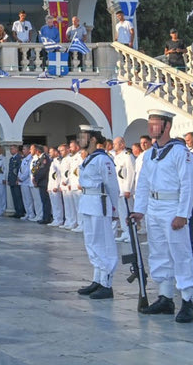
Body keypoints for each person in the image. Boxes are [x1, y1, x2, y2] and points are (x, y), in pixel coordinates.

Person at [131, 110, 193, 323]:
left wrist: (183, 214)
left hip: (173, 207)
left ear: (167, 126)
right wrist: (140, 209)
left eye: (156, 123)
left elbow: (189, 184)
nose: (152, 127)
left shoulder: (180, 152)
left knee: (180, 253)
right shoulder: (150, 153)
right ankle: (165, 297)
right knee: (159, 252)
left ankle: (187, 300)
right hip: (154, 207)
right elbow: (142, 183)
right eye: (150, 123)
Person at [74, 125, 120, 300]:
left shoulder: (103, 160)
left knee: (104, 243)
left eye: (83, 137)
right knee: (92, 242)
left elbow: (112, 186)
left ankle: (107, 283)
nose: (80, 140)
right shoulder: (89, 158)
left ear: (93, 139)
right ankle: (98, 279)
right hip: (88, 203)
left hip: (100, 203)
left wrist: (115, 208)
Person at [112, 137, 136, 243]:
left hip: (125, 190)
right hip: (118, 189)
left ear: (122, 144)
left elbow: (130, 173)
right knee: (122, 213)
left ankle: (132, 233)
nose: (113, 146)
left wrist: (128, 189)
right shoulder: (116, 157)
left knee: (128, 212)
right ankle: (125, 232)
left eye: (115, 144)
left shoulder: (128, 156)